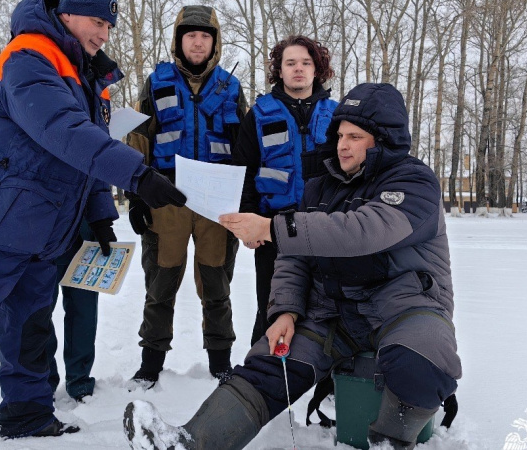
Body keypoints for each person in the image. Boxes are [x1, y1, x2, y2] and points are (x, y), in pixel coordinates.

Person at [0, 0, 187, 448]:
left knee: (32, 331)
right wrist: (136, 173)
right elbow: (64, 129)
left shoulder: (87, 75)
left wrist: (99, 212)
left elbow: (89, 150)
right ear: (68, 14)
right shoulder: (28, 56)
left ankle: (27, 414)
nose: (104, 34)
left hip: (45, 233)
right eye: (97, 22)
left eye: (110, 25)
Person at [124, 83, 462, 450]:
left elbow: (362, 231)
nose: (343, 144)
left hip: (404, 304)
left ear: (383, 141)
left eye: (356, 136)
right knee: (269, 363)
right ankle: (190, 443)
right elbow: (294, 255)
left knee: (422, 357)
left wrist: (271, 227)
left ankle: (390, 442)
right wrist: (285, 309)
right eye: (340, 134)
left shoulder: (414, 181)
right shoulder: (320, 186)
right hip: (331, 311)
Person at [125, 5, 248, 388]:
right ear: (179, 40)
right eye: (190, 35)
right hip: (168, 198)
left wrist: (246, 201)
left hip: (216, 203)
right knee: (160, 285)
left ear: (215, 43)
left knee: (217, 286)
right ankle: (151, 363)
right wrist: (137, 193)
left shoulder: (232, 87)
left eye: (205, 36)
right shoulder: (156, 81)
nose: (198, 42)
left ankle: (220, 361)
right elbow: (137, 138)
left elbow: (245, 147)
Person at [231, 35, 338, 345]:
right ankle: (261, 375)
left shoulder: (337, 114)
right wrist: (249, 222)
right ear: (279, 70)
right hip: (273, 226)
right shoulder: (260, 114)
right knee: (272, 304)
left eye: (306, 63)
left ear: (318, 69)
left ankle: (328, 381)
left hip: (325, 226)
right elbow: (244, 170)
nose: (298, 69)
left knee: (328, 304)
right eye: (290, 63)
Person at [47, 222, 99, 403]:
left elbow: (97, 192)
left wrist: (103, 220)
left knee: (84, 314)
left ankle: (80, 381)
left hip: (83, 239)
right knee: (37, 317)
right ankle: (42, 382)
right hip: (40, 238)